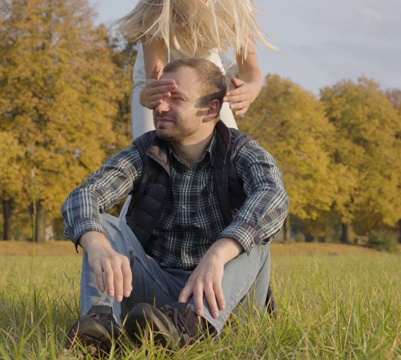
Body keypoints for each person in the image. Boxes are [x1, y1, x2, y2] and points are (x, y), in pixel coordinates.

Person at [62, 57, 289, 354]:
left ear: (210, 109)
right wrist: (97, 243)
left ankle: (194, 324)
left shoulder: (243, 152)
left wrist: (218, 254)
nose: (161, 107)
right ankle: (101, 328)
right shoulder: (145, 152)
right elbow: (85, 195)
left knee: (255, 232)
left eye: (176, 99)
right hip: (157, 295)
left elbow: (273, 196)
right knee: (102, 225)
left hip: (227, 299)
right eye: (160, 97)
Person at [117, 0, 276, 138]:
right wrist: (149, 94)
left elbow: (250, 68)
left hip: (205, 82)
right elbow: (157, 75)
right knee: (153, 157)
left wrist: (252, 87)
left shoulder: (237, 3)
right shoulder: (158, 4)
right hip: (159, 84)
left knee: (230, 154)